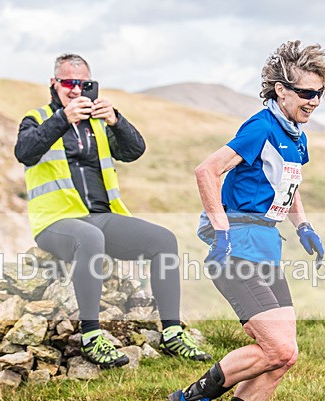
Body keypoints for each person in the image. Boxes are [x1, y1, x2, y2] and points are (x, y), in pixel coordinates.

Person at [168, 41, 325, 401]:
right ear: (281, 90)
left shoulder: (296, 137)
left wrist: (304, 226)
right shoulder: (261, 126)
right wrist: (221, 231)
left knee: (284, 357)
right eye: (305, 93)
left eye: (319, 93)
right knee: (276, 348)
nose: (313, 101)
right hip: (238, 248)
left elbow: (288, 186)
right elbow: (206, 170)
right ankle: (191, 399)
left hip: (266, 249)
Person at [15, 53, 210, 368]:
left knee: (164, 241)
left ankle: (172, 332)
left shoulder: (98, 124)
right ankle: (92, 336)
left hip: (102, 217)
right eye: (68, 83)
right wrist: (63, 118)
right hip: (56, 222)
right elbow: (24, 151)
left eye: (84, 84)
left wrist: (116, 120)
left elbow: (135, 150)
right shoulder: (37, 119)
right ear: (54, 84)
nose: (76, 90)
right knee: (89, 237)